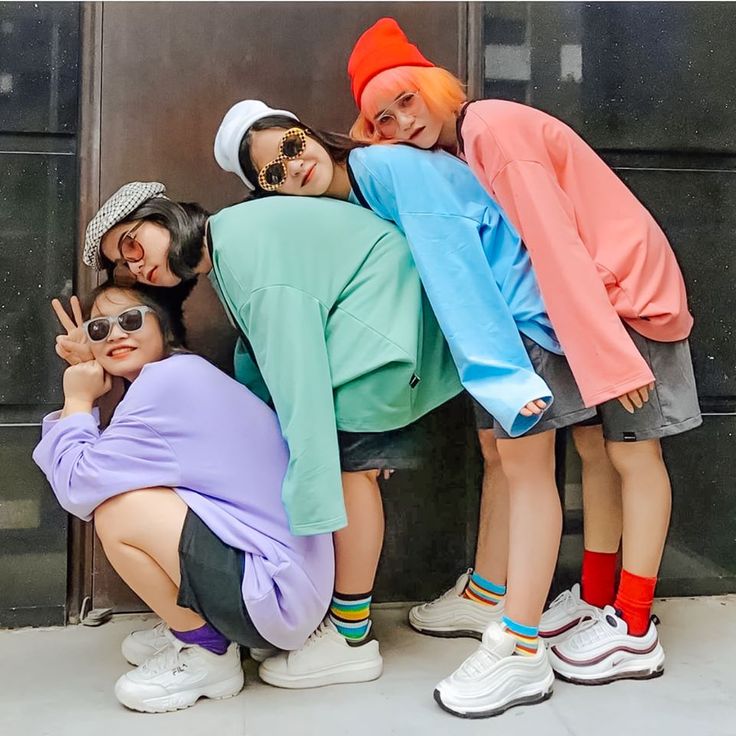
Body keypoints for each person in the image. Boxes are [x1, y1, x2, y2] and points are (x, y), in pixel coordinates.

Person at [346, 15, 702, 698]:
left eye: (406, 99)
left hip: (626, 298)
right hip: (597, 306)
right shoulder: (467, 146)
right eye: (382, 119)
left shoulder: (492, 131)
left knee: (634, 456)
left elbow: (555, 246)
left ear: (435, 85)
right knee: (600, 455)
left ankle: (633, 628)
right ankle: (599, 599)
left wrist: (615, 361)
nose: (400, 122)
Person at [217, 100, 603, 717]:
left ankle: (521, 649)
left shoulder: (387, 168)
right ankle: (488, 594)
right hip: (492, 327)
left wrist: (501, 376)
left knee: (527, 470)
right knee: (499, 459)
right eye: (273, 173)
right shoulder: (356, 194)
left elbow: (454, 266)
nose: (294, 168)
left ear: (309, 130)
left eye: (292, 145)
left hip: (518, 318)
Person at [62, 174, 464, 690]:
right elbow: (267, 364)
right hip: (375, 338)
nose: (138, 265)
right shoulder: (233, 245)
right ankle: (314, 618)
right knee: (344, 471)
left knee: (350, 474)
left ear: (164, 216)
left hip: (374, 344)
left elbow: (297, 380)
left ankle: (350, 636)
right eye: (127, 263)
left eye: (134, 245)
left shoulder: (248, 253)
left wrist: (307, 509)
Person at [34, 280, 334, 713]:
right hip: (285, 587)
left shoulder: (167, 386)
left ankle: (207, 651)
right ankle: (197, 622)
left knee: (118, 511)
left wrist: (78, 399)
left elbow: (78, 486)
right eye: (99, 330)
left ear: (165, 327)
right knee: (131, 493)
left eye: (131, 320)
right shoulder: (176, 376)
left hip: (274, 598)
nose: (115, 334)